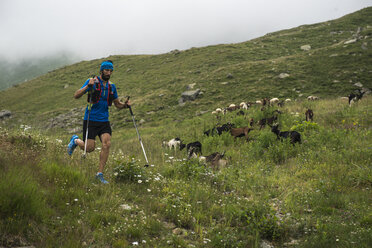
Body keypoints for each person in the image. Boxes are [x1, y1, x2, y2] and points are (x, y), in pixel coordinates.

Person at [67, 60, 130, 184]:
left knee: (106, 144)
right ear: (101, 70)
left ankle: (99, 174)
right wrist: (88, 86)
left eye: (111, 70)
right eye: (107, 70)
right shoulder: (92, 81)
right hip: (90, 119)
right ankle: (75, 140)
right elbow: (76, 95)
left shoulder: (112, 86)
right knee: (89, 148)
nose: (109, 72)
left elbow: (117, 104)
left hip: (104, 121)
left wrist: (125, 106)